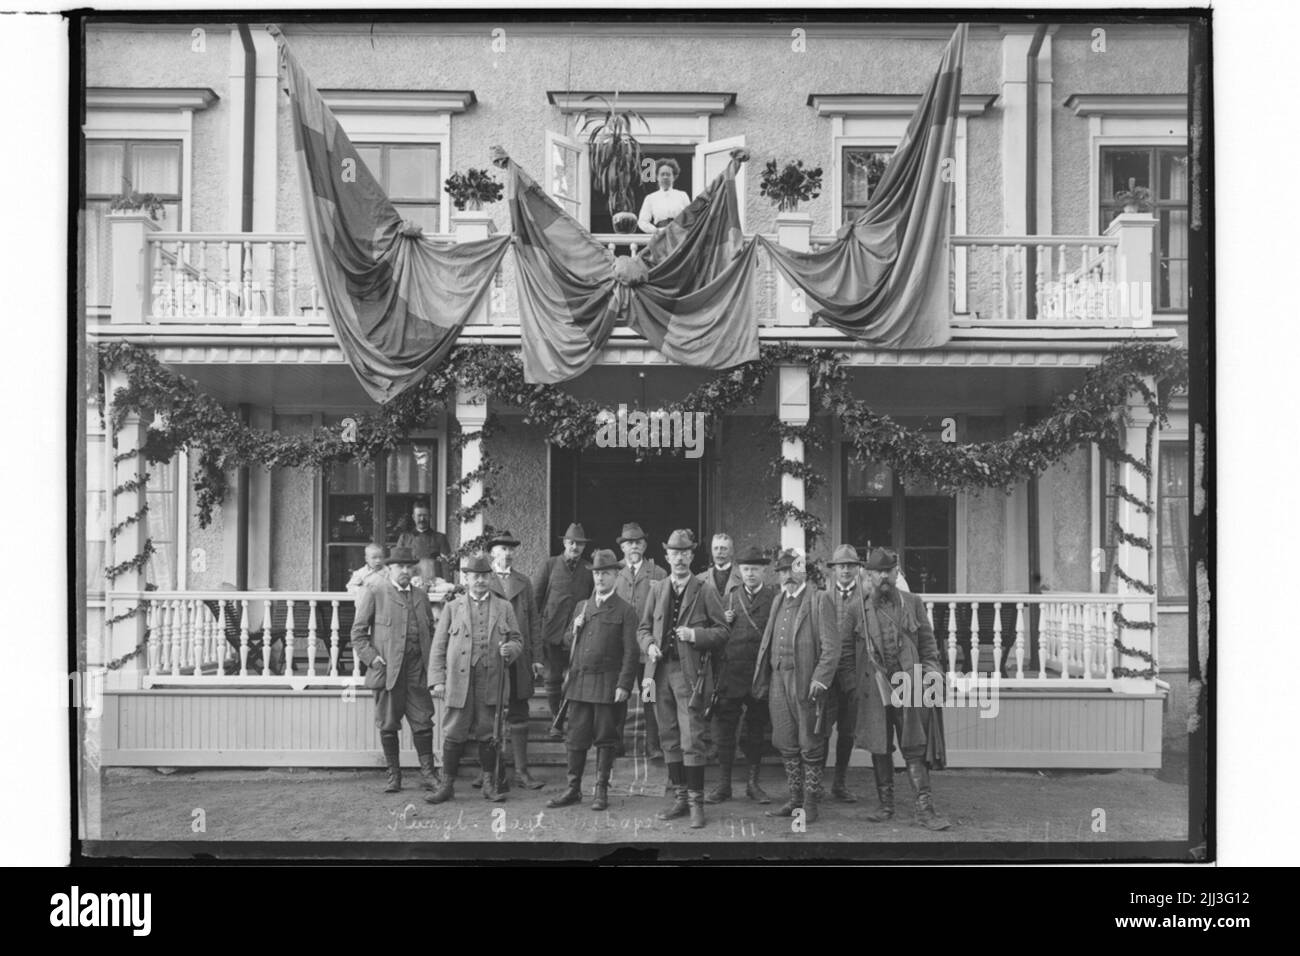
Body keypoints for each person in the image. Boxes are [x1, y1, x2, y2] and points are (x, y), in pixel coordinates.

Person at [638, 529, 729, 829]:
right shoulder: (657, 588)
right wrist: (649, 644)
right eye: (674, 553)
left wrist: (694, 635)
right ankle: (679, 797)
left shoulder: (705, 590)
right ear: (667, 556)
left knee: (692, 737)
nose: (679, 558)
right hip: (657, 673)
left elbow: (722, 632)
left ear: (692, 556)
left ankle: (696, 804)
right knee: (668, 736)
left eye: (684, 553)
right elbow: (642, 629)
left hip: (689, 674)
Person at [856, 547, 952, 830]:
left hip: (909, 684)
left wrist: (933, 673)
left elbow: (928, 645)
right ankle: (885, 806)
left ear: (897, 573)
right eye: (877, 572)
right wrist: (854, 685)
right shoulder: (858, 607)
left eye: (888, 571)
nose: (883, 576)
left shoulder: (913, 602)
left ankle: (925, 811)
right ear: (869, 575)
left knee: (914, 747)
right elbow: (849, 652)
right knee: (880, 745)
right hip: (874, 687)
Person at [426, 555, 524, 805]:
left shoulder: (504, 608)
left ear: (490, 578)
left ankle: (489, 784)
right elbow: (438, 646)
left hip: (491, 680)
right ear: (466, 579)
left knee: (488, 732)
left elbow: (518, 640)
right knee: (454, 732)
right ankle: (447, 785)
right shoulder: (452, 607)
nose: (480, 580)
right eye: (474, 576)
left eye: (484, 576)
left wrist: (509, 650)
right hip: (459, 681)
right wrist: (437, 680)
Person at [547, 550, 639, 811]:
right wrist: (572, 632)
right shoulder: (582, 606)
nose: (600, 578)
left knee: (605, 738)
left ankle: (601, 790)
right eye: (597, 573)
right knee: (575, 738)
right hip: (579, 682)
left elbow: (631, 653)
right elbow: (566, 641)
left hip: (608, 685)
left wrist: (623, 685)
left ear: (615, 575)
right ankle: (573, 789)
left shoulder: (626, 611)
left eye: (605, 573)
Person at [751, 550, 838, 824]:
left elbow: (832, 648)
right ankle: (795, 799)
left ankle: (811, 804)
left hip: (806, 682)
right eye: (783, 571)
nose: (788, 575)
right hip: (778, 679)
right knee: (786, 741)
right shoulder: (778, 600)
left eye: (793, 570)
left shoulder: (819, 599)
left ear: (804, 573)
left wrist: (820, 678)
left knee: (810, 742)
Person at [349, 547, 439, 794]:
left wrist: (432, 667)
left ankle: (429, 774)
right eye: (400, 567)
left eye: (410, 567)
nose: (406, 572)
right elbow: (357, 634)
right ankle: (394, 776)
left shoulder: (421, 596)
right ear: (389, 568)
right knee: (388, 724)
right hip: (388, 671)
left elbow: (430, 632)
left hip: (416, 671)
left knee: (423, 722)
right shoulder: (375, 592)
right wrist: (373, 659)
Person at [705, 545, 776, 806]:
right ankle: (723, 785)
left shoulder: (774, 598)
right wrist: (724, 619)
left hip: (759, 676)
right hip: (732, 673)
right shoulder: (730, 598)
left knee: (756, 731)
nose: (750, 574)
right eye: (746, 569)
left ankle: (753, 784)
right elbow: (717, 631)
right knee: (726, 731)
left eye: (755, 569)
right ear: (740, 571)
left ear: (764, 571)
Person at [485, 530, 546, 790]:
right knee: (490, 712)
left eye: (511, 549)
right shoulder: (483, 580)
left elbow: (533, 620)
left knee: (520, 710)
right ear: (492, 553)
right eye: (502, 548)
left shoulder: (524, 581)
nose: (508, 553)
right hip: (492, 656)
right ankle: (489, 771)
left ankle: (522, 771)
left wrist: (536, 657)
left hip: (520, 656)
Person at [532, 523, 594, 738]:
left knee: (577, 678)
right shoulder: (549, 565)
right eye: (571, 542)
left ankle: (575, 722)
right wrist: (536, 635)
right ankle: (556, 720)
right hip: (552, 633)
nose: (575, 547)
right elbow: (535, 602)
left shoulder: (589, 569)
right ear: (564, 543)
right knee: (552, 679)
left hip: (579, 634)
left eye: (580, 544)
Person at [612, 522, 667, 760]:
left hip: (648, 647)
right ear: (622, 547)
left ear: (644, 545)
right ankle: (616, 742)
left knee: (649, 695)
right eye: (629, 543)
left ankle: (653, 744)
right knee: (619, 694)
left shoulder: (659, 573)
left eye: (638, 542)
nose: (633, 546)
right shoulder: (613, 572)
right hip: (621, 648)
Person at [824, 544, 868, 803]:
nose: (846, 571)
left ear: (857, 569)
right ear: (834, 570)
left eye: (851, 566)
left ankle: (839, 783)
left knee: (848, 731)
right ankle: (815, 783)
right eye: (841, 566)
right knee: (821, 730)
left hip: (853, 674)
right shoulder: (824, 597)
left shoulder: (865, 599)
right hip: (828, 673)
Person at [395, 503, 451, 581]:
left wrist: (447, 584)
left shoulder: (440, 538)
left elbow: (446, 565)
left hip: (435, 584)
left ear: (430, 517)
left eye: (425, 515)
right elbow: (398, 563)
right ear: (413, 517)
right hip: (411, 582)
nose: (422, 519)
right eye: (419, 515)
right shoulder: (404, 538)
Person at [636, 158, 691, 233]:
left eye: (668, 174)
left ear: (673, 177)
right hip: (660, 235)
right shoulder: (651, 198)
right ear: (657, 177)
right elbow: (642, 221)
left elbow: (690, 218)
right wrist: (655, 230)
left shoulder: (682, 195)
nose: (665, 177)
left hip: (680, 234)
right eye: (662, 174)